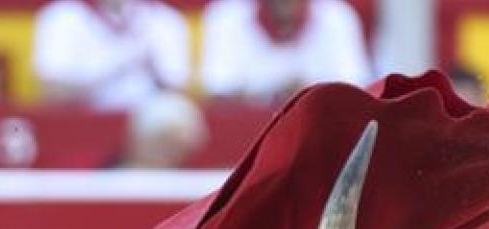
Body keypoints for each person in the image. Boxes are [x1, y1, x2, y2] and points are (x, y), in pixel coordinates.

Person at [31, 0, 191, 111]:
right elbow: (52, 95)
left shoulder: (164, 19)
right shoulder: (63, 16)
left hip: (149, 130)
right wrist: (114, 68)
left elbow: (180, 99)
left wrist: (154, 71)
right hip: (82, 124)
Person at [200, 0, 371, 104]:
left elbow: (356, 90)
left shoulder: (337, 16)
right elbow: (218, 92)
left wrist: (303, 95)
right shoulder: (226, 15)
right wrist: (275, 93)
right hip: (247, 133)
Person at [112, 89, 207, 167]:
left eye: (175, 146)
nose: (168, 152)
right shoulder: (108, 179)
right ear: (137, 141)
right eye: (163, 140)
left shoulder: (192, 181)